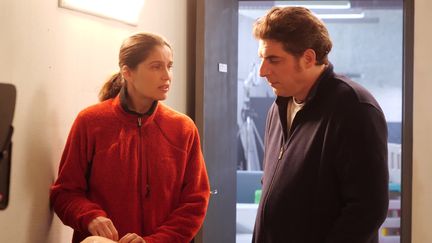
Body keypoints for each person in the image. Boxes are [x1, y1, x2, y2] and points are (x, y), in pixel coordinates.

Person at [50, 32, 210, 243]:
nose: (167, 75)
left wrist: (154, 241)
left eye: (169, 66)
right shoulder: (90, 122)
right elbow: (65, 193)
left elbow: (195, 202)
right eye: (156, 66)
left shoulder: (183, 128)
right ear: (128, 72)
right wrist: (90, 217)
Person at [251, 7, 389, 243]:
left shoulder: (354, 108)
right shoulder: (278, 108)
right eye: (261, 59)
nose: (263, 71)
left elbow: (367, 210)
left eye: (273, 59)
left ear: (308, 58)